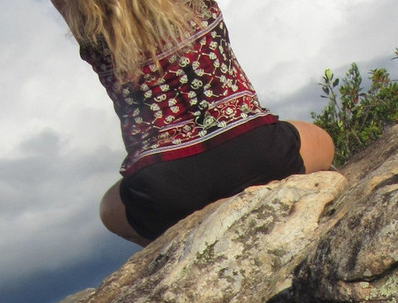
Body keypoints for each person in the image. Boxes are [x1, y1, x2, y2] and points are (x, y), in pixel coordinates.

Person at [51, 0, 335, 245]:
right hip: (254, 150)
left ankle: (184, 250)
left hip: (165, 188)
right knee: (322, 140)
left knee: (108, 210)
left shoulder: (90, 27)